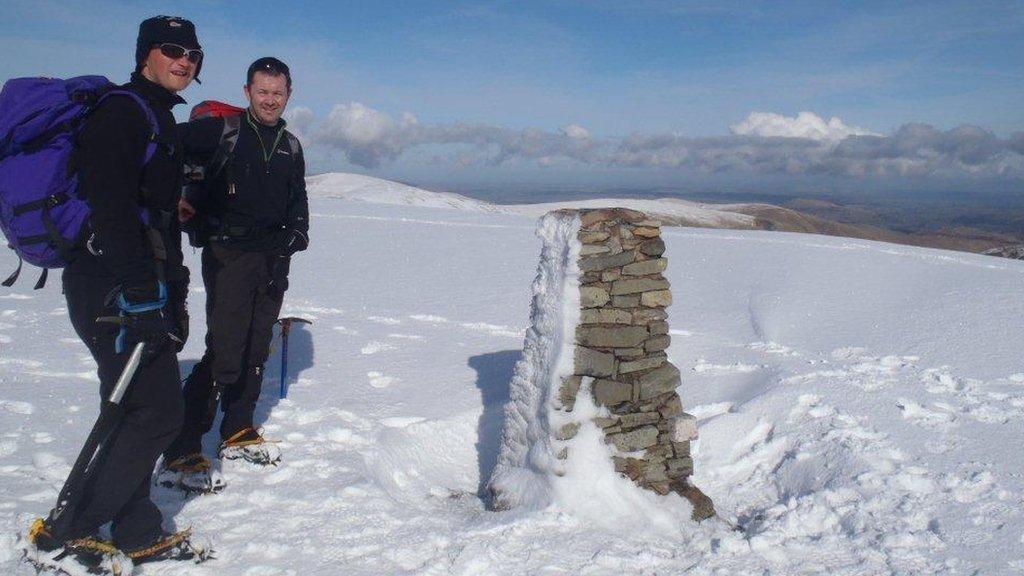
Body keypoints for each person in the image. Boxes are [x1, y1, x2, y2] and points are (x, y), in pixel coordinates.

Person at [28, 16, 203, 566]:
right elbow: (110, 209)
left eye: (193, 53)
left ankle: (135, 527)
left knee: (133, 409)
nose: (185, 60)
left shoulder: (153, 117)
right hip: (113, 287)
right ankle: (79, 524)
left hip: (135, 282)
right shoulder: (123, 112)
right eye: (172, 49)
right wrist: (142, 295)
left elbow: (137, 203)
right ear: (145, 55)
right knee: (156, 413)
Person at [160, 57, 308, 488]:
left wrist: (299, 231)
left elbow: (296, 194)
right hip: (230, 254)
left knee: (257, 344)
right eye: (262, 91)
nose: (269, 99)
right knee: (225, 348)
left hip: (274, 257)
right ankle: (184, 443)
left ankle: (237, 428)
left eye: (277, 93)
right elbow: (166, 146)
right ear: (247, 92)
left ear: (288, 95)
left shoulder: (291, 144)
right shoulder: (220, 131)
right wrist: (174, 198)